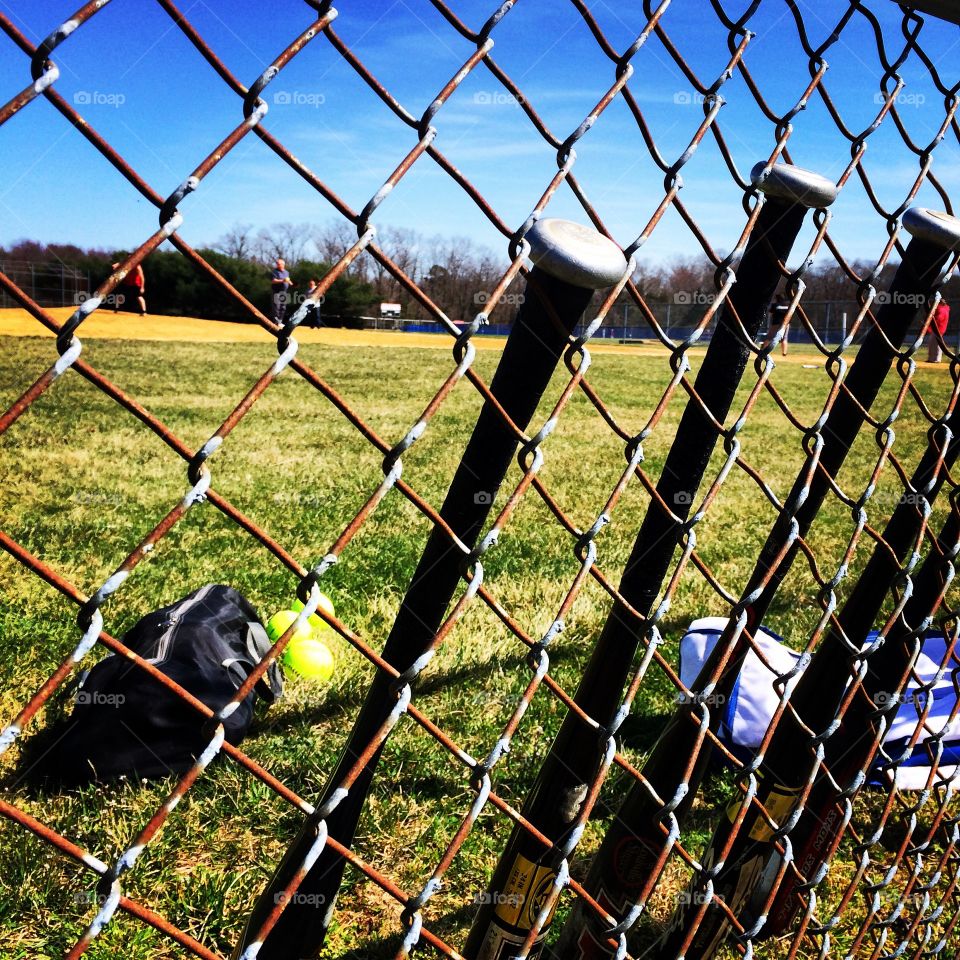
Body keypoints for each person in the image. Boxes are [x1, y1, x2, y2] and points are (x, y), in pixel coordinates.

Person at [270, 258, 293, 324]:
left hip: (284, 292)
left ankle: (280, 321)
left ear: (283, 265)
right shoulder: (274, 272)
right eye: (277, 264)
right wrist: (283, 280)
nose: (277, 265)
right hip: (276, 292)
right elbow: (273, 281)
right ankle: (276, 322)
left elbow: (288, 280)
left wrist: (291, 283)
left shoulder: (287, 272)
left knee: (283, 308)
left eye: (279, 264)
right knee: (276, 308)